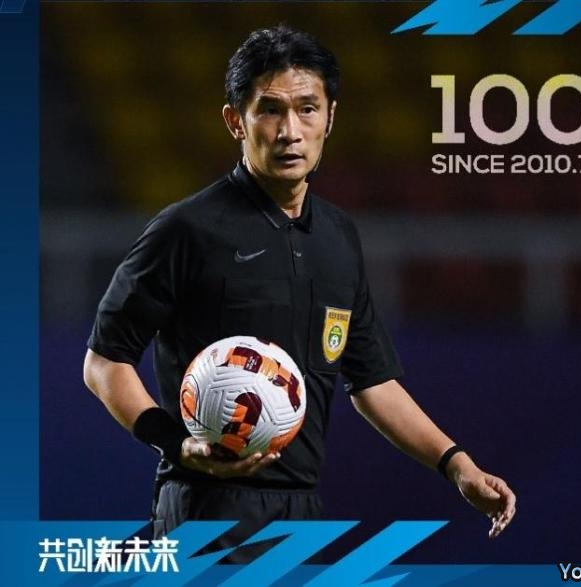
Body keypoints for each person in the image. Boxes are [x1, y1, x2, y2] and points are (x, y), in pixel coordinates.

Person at [83, 24, 516, 561]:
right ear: (235, 121)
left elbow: (372, 380)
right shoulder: (187, 230)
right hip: (204, 507)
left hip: (302, 514)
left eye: (307, 109)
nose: (290, 131)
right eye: (270, 110)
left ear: (330, 118)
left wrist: (457, 465)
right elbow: (104, 362)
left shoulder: (338, 237)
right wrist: (177, 443)